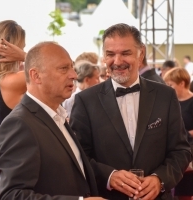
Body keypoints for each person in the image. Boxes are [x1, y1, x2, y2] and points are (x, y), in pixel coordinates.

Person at [70, 23, 192, 200]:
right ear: (104, 56)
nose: (117, 61)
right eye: (110, 54)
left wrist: (160, 179)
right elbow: (78, 155)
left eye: (125, 53)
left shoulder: (165, 95)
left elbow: (181, 150)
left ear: (141, 53)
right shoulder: (85, 101)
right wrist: (110, 176)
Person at [0, 41, 105, 200]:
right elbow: (12, 195)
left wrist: (111, 176)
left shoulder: (56, 115)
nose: (73, 75)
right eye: (63, 68)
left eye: (72, 67)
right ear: (36, 75)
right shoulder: (19, 124)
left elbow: (74, 166)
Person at [163, 67, 193, 198]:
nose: (168, 88)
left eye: (171, 85)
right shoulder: (169, 103)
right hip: (174, 151)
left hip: (189, 152)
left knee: (184, 192)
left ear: (182, 83)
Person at [0, 20, 26, 138]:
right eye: (21, 48)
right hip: (7, 151)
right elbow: (56, 70)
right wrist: (25, 56)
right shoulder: (12, 81)